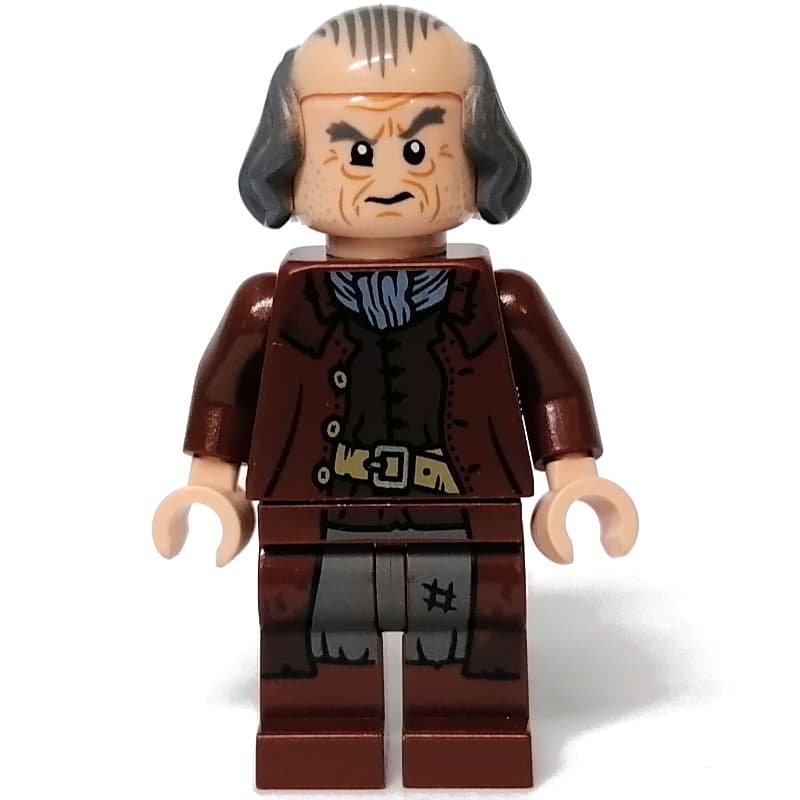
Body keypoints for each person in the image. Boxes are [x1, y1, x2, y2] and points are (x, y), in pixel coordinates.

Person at [153, 5, 638, 789]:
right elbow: (225, 395)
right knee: (319, 632)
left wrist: (575, 477)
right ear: (290, 156)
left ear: (477, 154)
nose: (388, 180)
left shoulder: (501, 299)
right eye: (354, 153)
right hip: (314, 509)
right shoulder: (270, 304)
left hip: (463, 506)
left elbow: (553, 385)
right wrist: (211, 485)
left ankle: (468, 733)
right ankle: (319, 735)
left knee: (466, 631)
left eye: (418, 149)